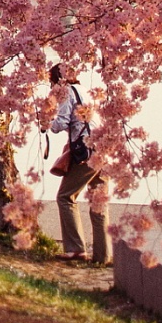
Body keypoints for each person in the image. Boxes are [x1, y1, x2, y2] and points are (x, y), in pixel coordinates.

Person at [50, 63, 110, 264]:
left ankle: (76, 249)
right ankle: (103, 255)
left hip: (86, 152)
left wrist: (47, 121)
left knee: (65, 197)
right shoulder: (88, 91)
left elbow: (61, 123)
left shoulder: (67, 93)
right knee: (98, 201)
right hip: (104, 148)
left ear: (58, 81)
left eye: (51, 83)